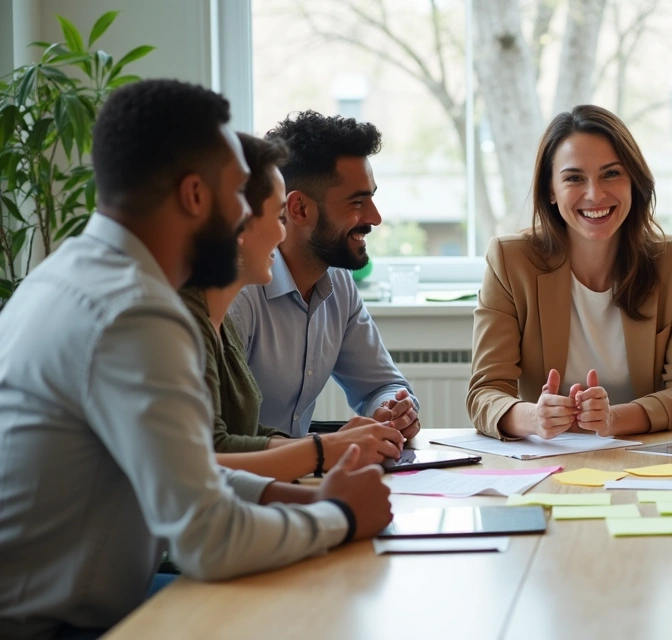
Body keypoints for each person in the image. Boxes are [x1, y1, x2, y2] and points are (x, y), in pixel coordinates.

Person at [0, 80, 391, 639]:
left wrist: (298, 496)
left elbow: (184, 473)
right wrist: (341, 516)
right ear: (194, 196)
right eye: (240, 194)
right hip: (58, 625)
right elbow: (209, 540)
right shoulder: (135, 313)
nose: (251, 219)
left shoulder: (67, 278)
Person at [467, 104, 672, 439]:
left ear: (634, 182)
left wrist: (613, 419)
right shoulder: (510, 261)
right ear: (550, 190)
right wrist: (534, 418)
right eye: (574, 178)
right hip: (549, 455)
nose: (595, 194)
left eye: (611, 173)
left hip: (645, 453)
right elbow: (484, 393)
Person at [179, 133, 404, 482]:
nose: (280, 233)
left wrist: (382, 418)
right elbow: (209, 456)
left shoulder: (337, 283)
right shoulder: (205, 309)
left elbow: (239, 445)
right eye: (273, 214)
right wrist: (327, 457)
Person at [229, 111, 419, 441]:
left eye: (372, 197)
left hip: (302, 478)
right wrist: (324, 451)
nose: (375, 218)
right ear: (299, 209)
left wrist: (392, 411)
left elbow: (383, 385)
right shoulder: (238, 294)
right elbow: (219, 442)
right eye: (358, 202)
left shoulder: (338, 283)